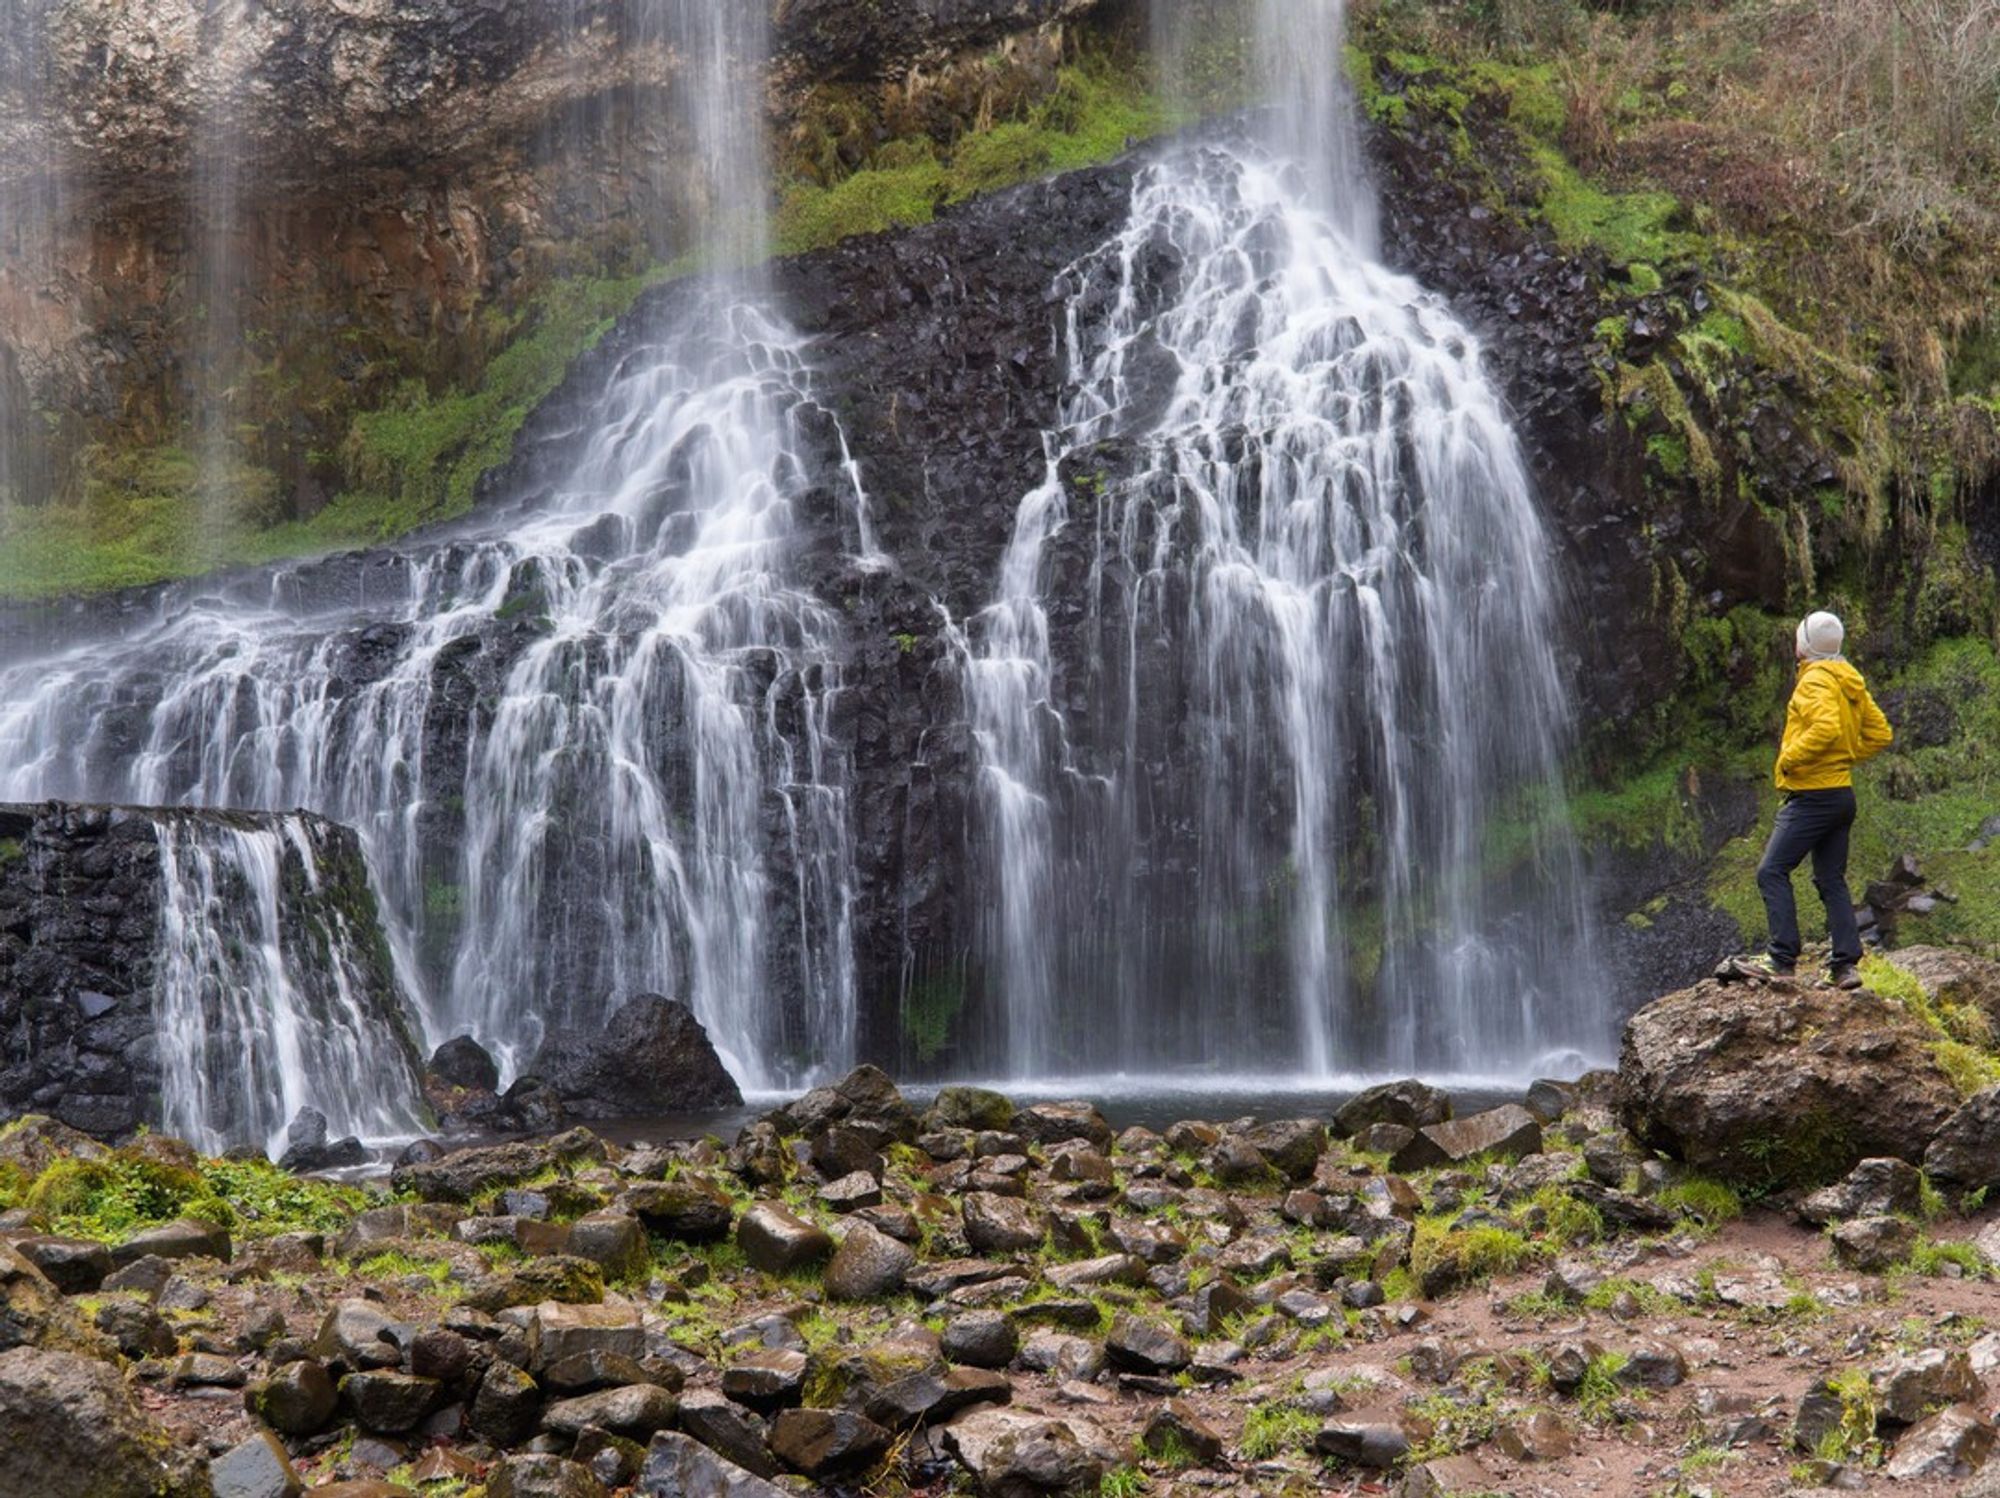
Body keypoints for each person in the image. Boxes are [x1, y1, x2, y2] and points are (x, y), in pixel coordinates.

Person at [1719, 610, 1893, 988]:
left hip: (1812, 794)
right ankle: (1844, 967)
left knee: (1771, 871)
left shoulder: (1814, 680)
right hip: (1841, 794)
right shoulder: (1849, 680)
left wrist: (1790, 757)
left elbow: (1827, 729)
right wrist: (1846, 756)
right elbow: (1880, 734)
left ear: (1805, 645)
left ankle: (1781, 958)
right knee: (1830, 877)